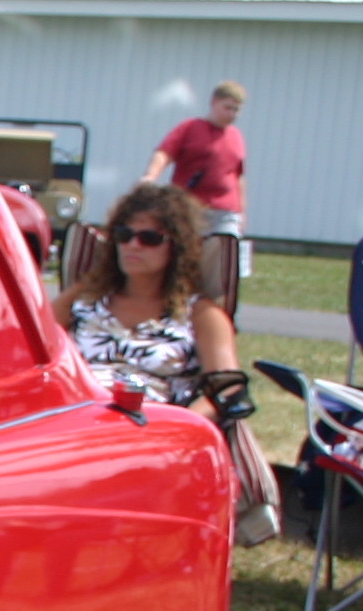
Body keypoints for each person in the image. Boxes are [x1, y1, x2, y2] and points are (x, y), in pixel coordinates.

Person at [64, 183, 238, 418]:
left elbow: (227, 389)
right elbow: (28, 348)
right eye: (123, 235)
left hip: (153, 430)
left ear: (176, 247)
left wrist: (183, 426)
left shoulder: (200, 314)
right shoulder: (83, 297)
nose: (133, 245)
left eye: (149, 238)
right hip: (75, 420)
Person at [144, 80, 247, 237]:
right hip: (189, 207)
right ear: (214, 102)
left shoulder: (236, 136)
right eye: (227, 108)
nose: (231, 114)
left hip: (225, 213)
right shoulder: (190, 127)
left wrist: (241, 212)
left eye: (236, 110)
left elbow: (238, 176)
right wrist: (150, 176)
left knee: (227, 254)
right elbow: (164, 153)